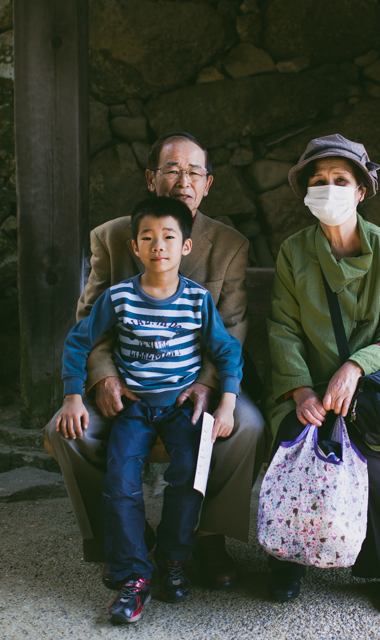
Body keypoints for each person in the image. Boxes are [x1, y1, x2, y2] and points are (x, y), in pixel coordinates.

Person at [44, 132, 266, 590]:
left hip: (197, 380)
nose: (183, 180)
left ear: (208, 184)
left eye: (194, 172)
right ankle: (121, 539)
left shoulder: (230, 244)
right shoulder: (112, 237)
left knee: (247, 426)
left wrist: (209, 384)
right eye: (172, 169)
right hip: (128, 384)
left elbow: (234, 326)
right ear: (151, 179)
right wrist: (102, 377)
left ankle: (207, 538)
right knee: (65, 431)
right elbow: (90, 320)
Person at [57, 196, 244, 624]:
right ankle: (132, 577)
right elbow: (78, 341)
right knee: (121, 481)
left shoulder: (197, 301)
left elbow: (227, 351)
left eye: (169, 237)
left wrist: (228, 401)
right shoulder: (119, 298)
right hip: (133, 409)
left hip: (182, 409)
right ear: (134, 248)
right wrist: (72, 395)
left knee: (189, 478)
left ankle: (173, 560)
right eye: (148, 238)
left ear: (186, 248)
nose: (158, 245)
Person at [264, 134, 380, 612]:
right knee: (294, 440)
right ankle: (285, 557)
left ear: (361, 191)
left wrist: (355, 367)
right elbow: (283, 326)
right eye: (317, 181)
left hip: (371, 390)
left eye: (339, 180)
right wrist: (300, 389)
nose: (327, 189)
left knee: (362, 452)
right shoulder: (294, 252)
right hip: (307, 387)